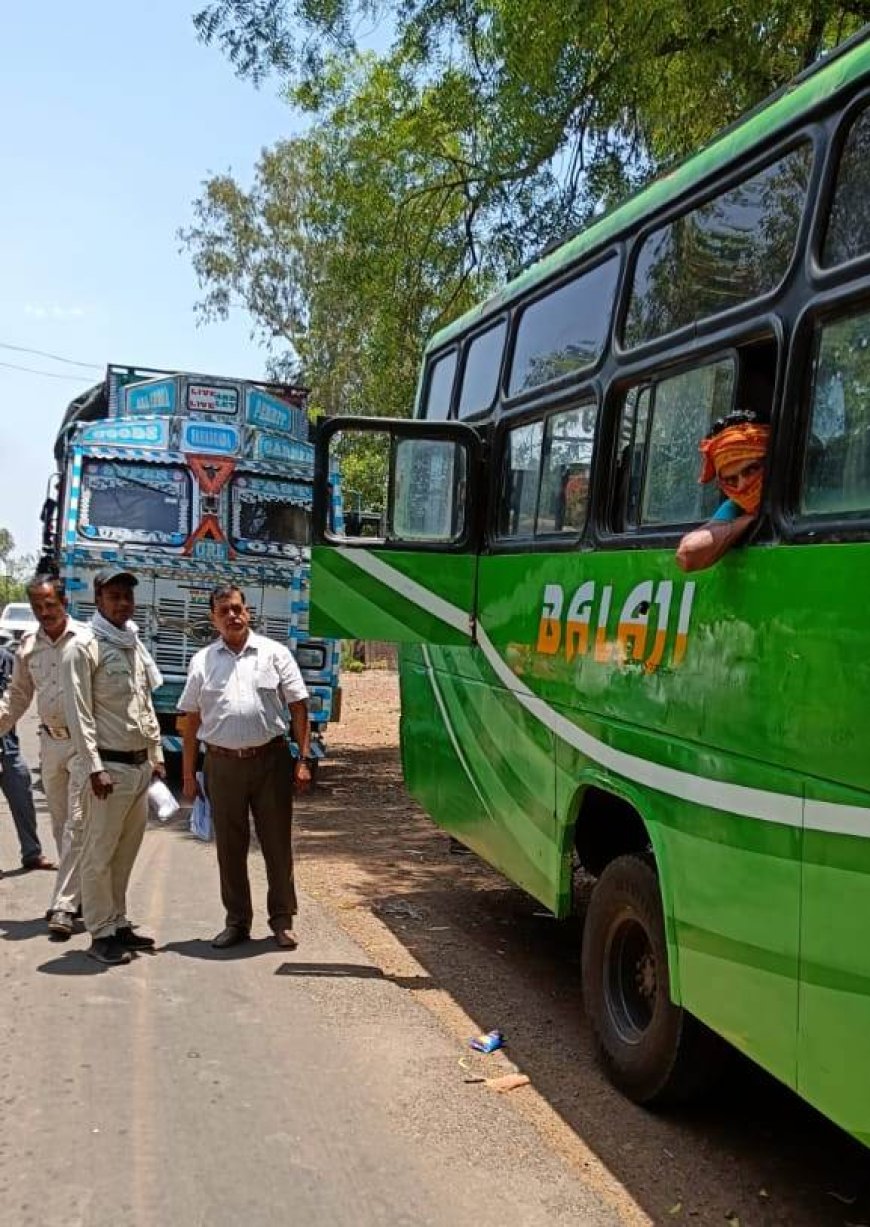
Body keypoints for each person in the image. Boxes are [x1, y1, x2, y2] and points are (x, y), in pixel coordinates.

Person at [178, 583, 311, 951]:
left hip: (271, 762)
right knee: (230, 848)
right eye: (224, 611)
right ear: (213, 619)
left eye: (237, 609)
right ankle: (237, 922)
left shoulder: (274, 653)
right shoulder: (202, 661)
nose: (233, 616)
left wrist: (302, 760)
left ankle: (282, 921)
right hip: (221, 765)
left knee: (277, 844)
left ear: (248, 611)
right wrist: (190, 775)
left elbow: (299, 707)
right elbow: (190, 719)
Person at [62, 568, 166, 966]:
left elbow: (144, 706)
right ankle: (100, 933)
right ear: (98, 599)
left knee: (124, 852)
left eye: (128, 596)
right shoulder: (83, 646)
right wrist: (93, 767)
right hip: (108, 770)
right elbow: (79, 713)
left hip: (138, 769)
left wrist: (155, 755)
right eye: (115, 596)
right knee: (97, 852)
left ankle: (118, 921)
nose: (123, 603)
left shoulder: (132, 644)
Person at [0, 575, 90, 937]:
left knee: (77, 823)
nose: (43, 612)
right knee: (59, 823)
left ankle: (64, 906)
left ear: (64, 601)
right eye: (37, 606)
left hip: (85, 745)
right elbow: (18, 696)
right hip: (50, 745)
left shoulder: (88, 640)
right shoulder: (28, 647)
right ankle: (80, 892)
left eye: (50, 604)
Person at [675, 411, 771, 573]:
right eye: (731, 480)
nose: (742, 486)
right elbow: (688, 555)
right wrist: (750, 518)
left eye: (751, 470)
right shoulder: (735, 507)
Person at [0, 644, 55, 876]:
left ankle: (32, 853)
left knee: (22, 794)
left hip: (7, 746)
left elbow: (12, 695)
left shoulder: (4, 657)